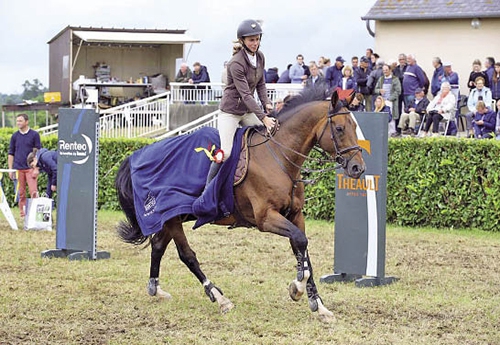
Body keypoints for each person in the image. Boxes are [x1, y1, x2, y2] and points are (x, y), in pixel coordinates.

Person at [204, 19, 276, 188]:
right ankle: (208, 188)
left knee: (269, 136)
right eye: (251, 40)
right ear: (243, 41)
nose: (255, 43)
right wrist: (263, 118)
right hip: (230, 112)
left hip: (247, 111)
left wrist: (267, 102)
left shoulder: (260, 57)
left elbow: (261, 84)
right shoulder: (236, 62)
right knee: (227, 152)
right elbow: (245, 94)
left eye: (257, 39)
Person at [8, 113, 41, 217]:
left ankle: (35, 214)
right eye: (17, 121)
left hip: (30, 168)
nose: (18, 123)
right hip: (18, 169)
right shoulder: (14, 136)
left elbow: (38, 152)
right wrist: (10, 169)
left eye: (20, 121)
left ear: (26, 122)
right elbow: (11, 153)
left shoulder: (34, 135)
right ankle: (23, 214)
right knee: (20, 193)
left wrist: (36, 168)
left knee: (33, 192)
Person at [375, 64, 401, 136]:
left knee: (391, 117)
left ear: (390, 70)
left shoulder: (395, 79)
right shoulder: (381, 79)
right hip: (382, 101)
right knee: (382, 116)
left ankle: (392, 132)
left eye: (386, 70)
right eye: (384, 70)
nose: (385, 72)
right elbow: (375, 89)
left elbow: (398, 91)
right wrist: (379, 90)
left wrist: (390, 99)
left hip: (391, 101)